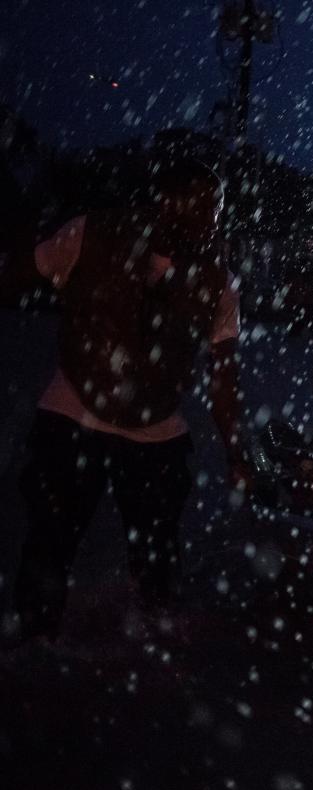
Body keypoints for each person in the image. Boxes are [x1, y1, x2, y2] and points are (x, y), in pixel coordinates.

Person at [9, 158, 248, 643]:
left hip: (157, 429)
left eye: (218, 209)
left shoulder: (217, 282)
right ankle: (37, 644)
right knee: (50, 541)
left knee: (159, 551)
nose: (214, 221)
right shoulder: (90, 234)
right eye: (204, 208)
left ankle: (154, 640)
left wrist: (237, 452)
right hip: (72, 413)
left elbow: (224, 378)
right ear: (164, 203)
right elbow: (16, 276)